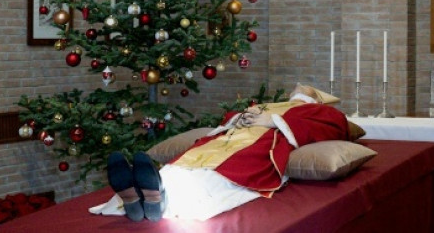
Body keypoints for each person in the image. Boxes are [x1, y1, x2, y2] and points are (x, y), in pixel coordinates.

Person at [103, 84, 347, 222]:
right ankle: (146, 192)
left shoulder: (320, 111)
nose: (297, 86)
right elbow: (229, 117)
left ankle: (154, 197)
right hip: (229, 137)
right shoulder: (269, 104)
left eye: (303, 86)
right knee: (188, 160)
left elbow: (336, 127)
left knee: (221, 171)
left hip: (263, 141)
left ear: (314, 97)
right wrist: (240, 117)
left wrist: (272, 121)